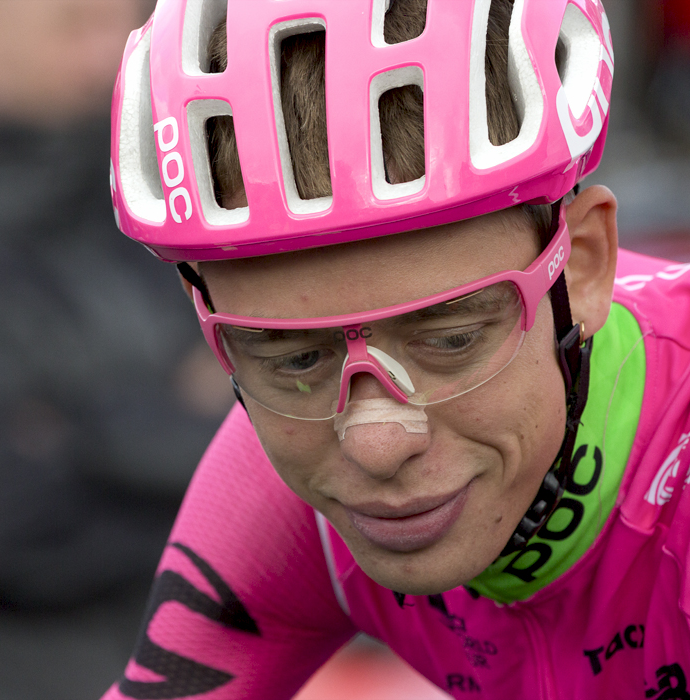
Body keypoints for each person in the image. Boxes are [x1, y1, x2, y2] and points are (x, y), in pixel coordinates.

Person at [102, 0, 690, 698]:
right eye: (295, 358)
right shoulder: (277, 491)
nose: (376, 443)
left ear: (586, 267)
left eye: (451, 339)